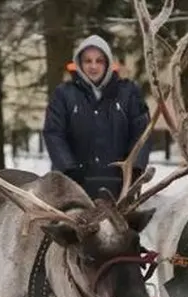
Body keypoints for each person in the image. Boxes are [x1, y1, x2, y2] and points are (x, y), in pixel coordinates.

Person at [42, 34, 151, 199]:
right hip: (73, 187)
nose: (93, 66)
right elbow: (54, 133)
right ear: (79, 63)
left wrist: (135, 168)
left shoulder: (128, 93)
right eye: (88, 61)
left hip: (120, 186)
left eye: (99, 61)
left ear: (108, 63)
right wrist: (68, 169)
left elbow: (142, 132)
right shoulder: (63, 94)